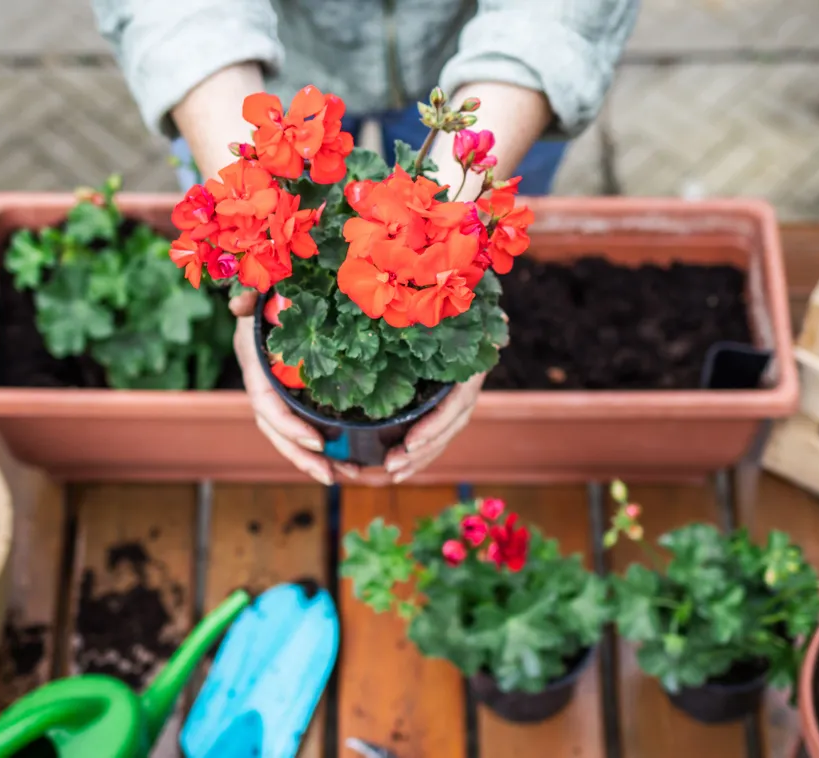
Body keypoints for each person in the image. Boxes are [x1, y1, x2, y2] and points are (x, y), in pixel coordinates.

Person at [93, 0, 640, 485]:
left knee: (468, 228)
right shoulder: (289, 189)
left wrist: (454, 211)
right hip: (272, 62)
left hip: (493, 63)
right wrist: (251, 219)